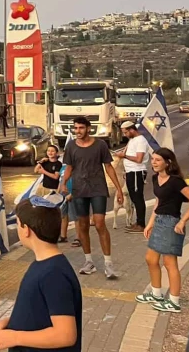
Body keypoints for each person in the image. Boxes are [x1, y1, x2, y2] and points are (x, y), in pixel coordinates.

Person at [0, 198, 82, 351]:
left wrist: (15, 337)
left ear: (26, 230)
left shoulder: (53, 274)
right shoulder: (44, 264)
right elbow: (39, 311)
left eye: (18, 223)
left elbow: (65, 335)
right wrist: (12, 322)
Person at [135, 148, 189, 313]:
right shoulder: (155, 178)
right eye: (153, 159)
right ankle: (156, 293)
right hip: (159, 221)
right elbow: (159, 202)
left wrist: (182, 221)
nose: (154, 163)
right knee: (151, 259)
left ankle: (174, 301)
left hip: (171, 223)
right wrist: (150, 223)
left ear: (168, 162)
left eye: (158, 160)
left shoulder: (175, 181)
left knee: (169, 263)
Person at [59, 116, 124, 279]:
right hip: (79, 189)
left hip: (97, 188)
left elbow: (108, 167)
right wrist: (63, 183)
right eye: (75, 128)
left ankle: (108, 263)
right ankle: (89, 262)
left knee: (100, 223)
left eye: (81, 128)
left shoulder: (100, 145)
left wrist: (119, 189)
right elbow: (69, 168)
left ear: (89, 128)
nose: (78, 131)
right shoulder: (71, 146)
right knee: (82, 225)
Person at [119, 121, 151, 233]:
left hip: (137, 172)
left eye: (126, 132)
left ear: (132, 130)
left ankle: (141, 224)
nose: (125, 135)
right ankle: (138, 222)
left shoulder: (141, 141)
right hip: (130, 172)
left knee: (138, 199)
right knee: (134, 198)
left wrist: (124, 156)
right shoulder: (132, 140)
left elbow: (139, 159)